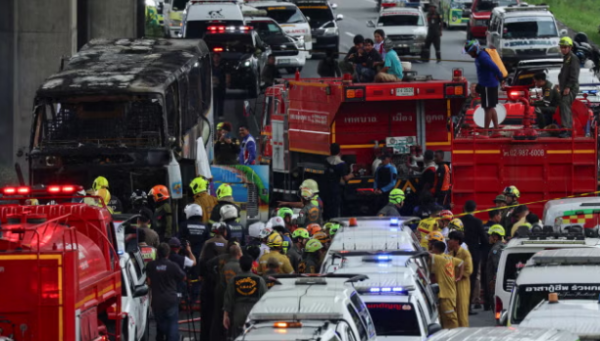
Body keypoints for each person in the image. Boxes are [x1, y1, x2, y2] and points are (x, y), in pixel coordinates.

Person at [147, 243, 186, 341]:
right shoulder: (173, 266)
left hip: (157, 300)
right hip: (171, 300)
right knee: (172, 324)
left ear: (157, 253)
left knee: (160, 324)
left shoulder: (151, 265)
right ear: (168, 253)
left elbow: (148, 281)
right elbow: (183, 277)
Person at [464, 40, 505, 133]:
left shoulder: (483, 58)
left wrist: (501, 79)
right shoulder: (479, 56)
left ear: (475, 50)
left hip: (489, 85)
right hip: (485, 84)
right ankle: (496, 129)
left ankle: (485, 131)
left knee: (488, 108)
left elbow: (495, 68)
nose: (470, 54)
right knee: (490, 107)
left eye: (470, 52)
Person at [223, 255, 267, 339]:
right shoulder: (259, 280)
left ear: (240, 265)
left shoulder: (233, 280)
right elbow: (264, 299)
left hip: (238, 312)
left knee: (238, 336)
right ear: (251, 265)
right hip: (254, 312)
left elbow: (228, 299)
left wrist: (226, 316)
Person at [459, 200, 488, 314]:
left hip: (460, 254)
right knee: (471, 280)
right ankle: (467, 307)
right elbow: (484, 239)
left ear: (464, 208)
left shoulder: (459, 220)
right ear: (475, 209)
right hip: (473, 255)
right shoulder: (477, 222)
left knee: (459, 279)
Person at [429, 241, 464, 329]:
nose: (431, 250)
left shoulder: (438, 258)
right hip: (447, 292)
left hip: (446, 294)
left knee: (450, 317)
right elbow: (461, 263)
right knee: (443, 317)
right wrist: (459, 277)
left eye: (432, 248)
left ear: (436, 249)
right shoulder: (449, 257)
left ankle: (455, 334)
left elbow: (427, 254)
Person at [211, 244, 243, 341]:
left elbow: (222, 284)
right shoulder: (240, 267)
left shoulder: (225, 266)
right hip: (238, 299)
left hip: (226, 297)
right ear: (238, 253)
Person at [448, 231, 473, 327]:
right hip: (451, 286)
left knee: (462, 312)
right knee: (452, 313)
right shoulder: (450, 254)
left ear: (457, 241)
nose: (449, 241)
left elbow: (468, 270)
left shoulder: (465, 254)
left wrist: (459, 276)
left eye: (451, 239)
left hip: (462, 285)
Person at [557, 37, 580, 138]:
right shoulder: (566, 58)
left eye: (565, 47)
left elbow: (574, 75)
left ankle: (566, 129)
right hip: (565, 87)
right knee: (564, 106)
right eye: (562, 47)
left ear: (570, 47)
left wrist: (568, 87)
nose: (563, 49)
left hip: (571, 87)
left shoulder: (573, 58)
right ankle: (567, 129)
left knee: (564, 104)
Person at [324, 143, 354, 220]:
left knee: (328, 206)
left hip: (326, 188)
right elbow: (345, 178)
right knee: (335, 207)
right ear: (339, 151)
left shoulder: (326, 161)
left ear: (330, 150)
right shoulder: (341, 164)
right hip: (336, 189)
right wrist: (352, 174)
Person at [480, 209, 501, 310]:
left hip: (484, 256)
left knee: (485, 281)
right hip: (492, 257)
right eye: (499, 215)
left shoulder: (483, 227)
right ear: (496, 216)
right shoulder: (499, 228)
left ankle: (486, 303)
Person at [486, 224, 506, 311]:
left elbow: (497, 266)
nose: (489, 238)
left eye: (490, 236)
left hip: (494, 283)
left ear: (495, 237)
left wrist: (494, 281)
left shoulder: (496, 249)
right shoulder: (499, 247)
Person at [212, 53, 226, 119]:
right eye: (215, 57)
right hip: (213, 87)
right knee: (213, 101)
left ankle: (220, 114)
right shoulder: (210, 66)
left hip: (221, 86)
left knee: (220, 101)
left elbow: (226, 75)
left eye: (217, 57)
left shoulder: (223, 66)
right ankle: (213, 114)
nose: (216, 59)